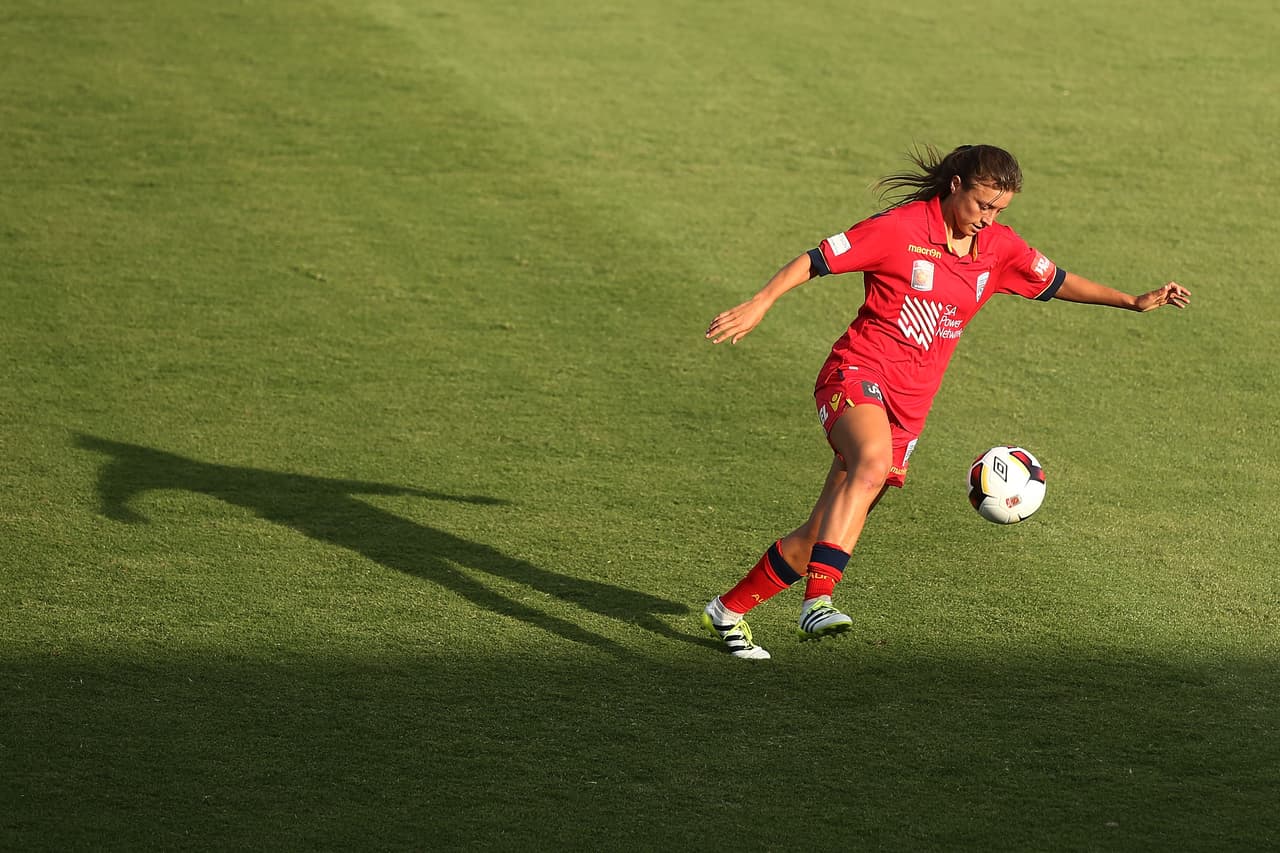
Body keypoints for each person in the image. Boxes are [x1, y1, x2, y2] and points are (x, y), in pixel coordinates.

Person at [701, 144, 1190, 660]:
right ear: (955, 186)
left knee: (822, 534)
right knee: (871, 462)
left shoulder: (997, 249)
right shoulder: (901, 228)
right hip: (856, 373)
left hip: (909, 409)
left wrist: (1133, 301)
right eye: (983, 205)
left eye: (1000, 210)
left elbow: (1058, 281)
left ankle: (726, 611)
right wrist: (761, 302)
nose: (989, 218)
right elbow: (817, 259)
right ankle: (818, 602)